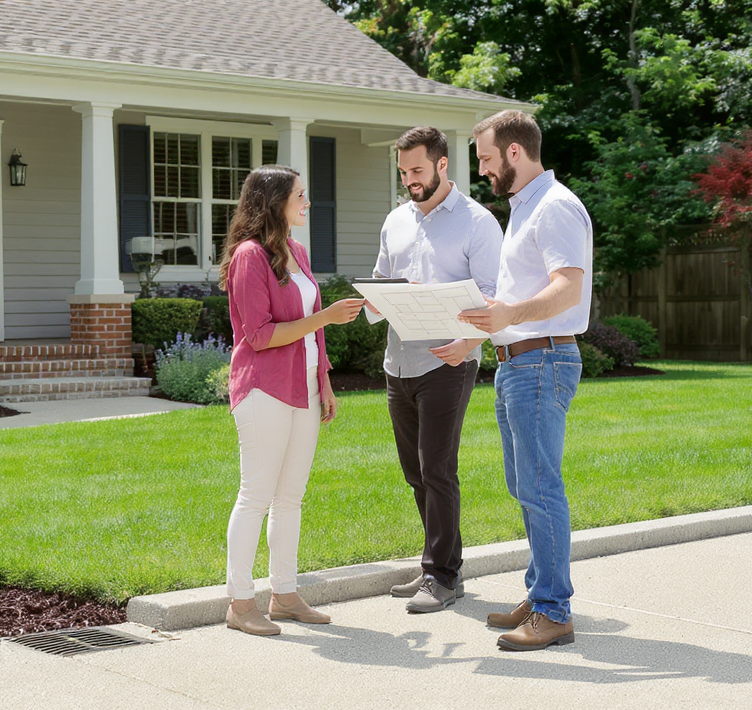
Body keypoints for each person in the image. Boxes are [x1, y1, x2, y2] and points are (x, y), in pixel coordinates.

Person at [459, 110, 592, 651]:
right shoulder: (525, 208)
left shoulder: (556, 207)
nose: (484, 171)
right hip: (518, 362)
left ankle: (555, 612)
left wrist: (510, 315)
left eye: (487, 159)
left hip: (542, 361)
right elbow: (526, 293)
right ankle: (540, 595)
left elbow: (569, 288)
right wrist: (483, 325)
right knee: (525, 485)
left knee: (541, 487)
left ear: (515, 153)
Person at [219, 165, 365, 637]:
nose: (307, 203)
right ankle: (241, 603)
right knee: (256, 495)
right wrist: (326, 316)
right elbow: (259, 336)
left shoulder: (296, 252)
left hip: (303, 387)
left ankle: (284, 594)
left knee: (290, 498)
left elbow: (310, 331)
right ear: (274, 200)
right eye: (300, 195)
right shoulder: (249, 256)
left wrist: (322, 379)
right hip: (262, 388)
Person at [372, 126, 502, 614]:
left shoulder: (477, 221)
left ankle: (442, 576)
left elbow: (494, 294)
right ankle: (438, 565)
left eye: (418, 171)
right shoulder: (395, 221)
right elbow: (382, 280)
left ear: (443, 165)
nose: (410, 180)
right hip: (398, 361)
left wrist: (468, 342)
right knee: (414, 472)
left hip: (449, 362)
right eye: (403, 172)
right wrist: (375, 299)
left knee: (437, 468)